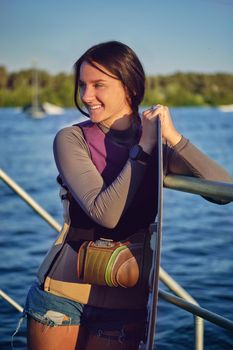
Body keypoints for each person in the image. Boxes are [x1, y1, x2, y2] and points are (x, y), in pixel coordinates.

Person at [23, 41, 232, 350]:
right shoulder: (71, 139)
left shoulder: (157, 144)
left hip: (124, 309)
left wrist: (172, 137)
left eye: (98, 85)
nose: (85, 96)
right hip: (62, 298)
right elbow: (104, 213)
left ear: (130, 88)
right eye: (82, 85)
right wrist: (145, 149)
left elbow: (223, 191)